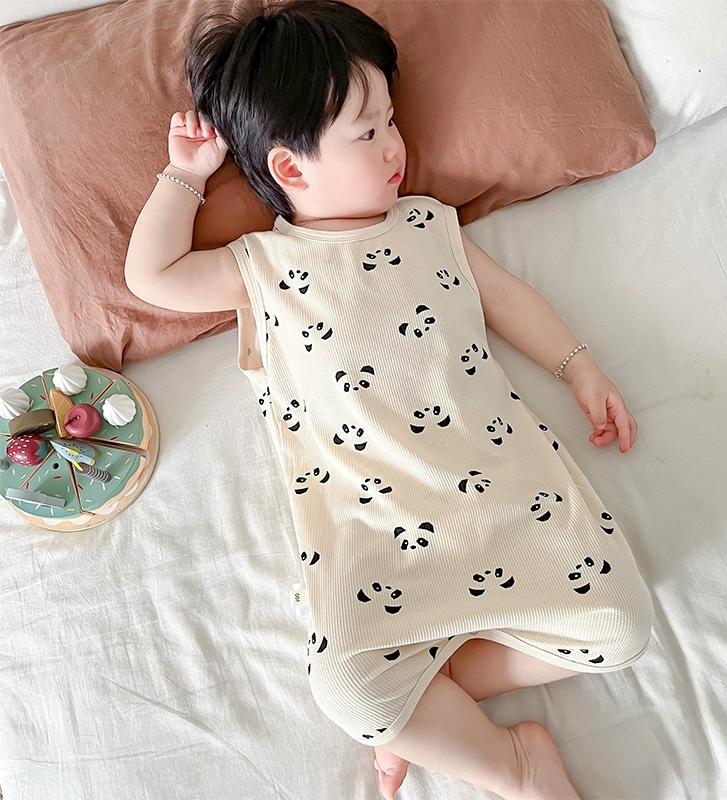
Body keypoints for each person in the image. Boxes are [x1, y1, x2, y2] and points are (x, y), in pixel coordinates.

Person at [124, 2, 654, 798]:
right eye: (368, 132)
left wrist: (580, 367)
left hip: (497, 496)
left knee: (622, 626)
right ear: (291, 168)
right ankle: (512, 764)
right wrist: (186, 175)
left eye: (393, 120)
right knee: (348, 691)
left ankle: (431, 703)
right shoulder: (262, 268)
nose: (395, 145)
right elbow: (152, 277)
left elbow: (507, 299)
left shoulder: (429, 225)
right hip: (374, 534)